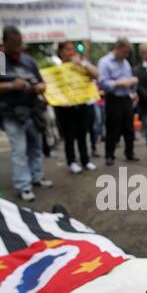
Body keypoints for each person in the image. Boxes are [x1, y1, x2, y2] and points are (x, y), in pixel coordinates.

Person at [0, 26, 53, 202]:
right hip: (11, 113)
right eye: (13, 44)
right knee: (19, 150)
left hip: (32, 111)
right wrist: (10, 86)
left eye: (19, 43)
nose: (17, 47)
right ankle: (24, 185)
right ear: (5, 43)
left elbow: (42, 83)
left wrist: (39, 88)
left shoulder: (28, 61)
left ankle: (36, 177)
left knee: (35, 147)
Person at [54, 41, 98, 174]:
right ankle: (72, 161)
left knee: (82, 134)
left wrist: (82, 64)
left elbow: (96, 74)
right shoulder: (57, 71)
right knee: (69, 136)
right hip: (65, 107)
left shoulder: (80, 67)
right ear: (61, 53)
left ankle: (85, 160)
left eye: (73, 49)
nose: (71, 52)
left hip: (82, 104)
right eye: (67, 49)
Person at [99, 38, 139, 167]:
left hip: (126, 98)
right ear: (118, 48)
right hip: (113, 98)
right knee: (112, 128)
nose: (126, 55)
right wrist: (118, 83)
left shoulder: (125, 63)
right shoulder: (105, 62)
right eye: (125, 52)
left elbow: (129, 81)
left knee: (129, 127)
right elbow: (103, 83)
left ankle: (130, 152)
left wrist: (132, 83)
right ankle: (109, 155)